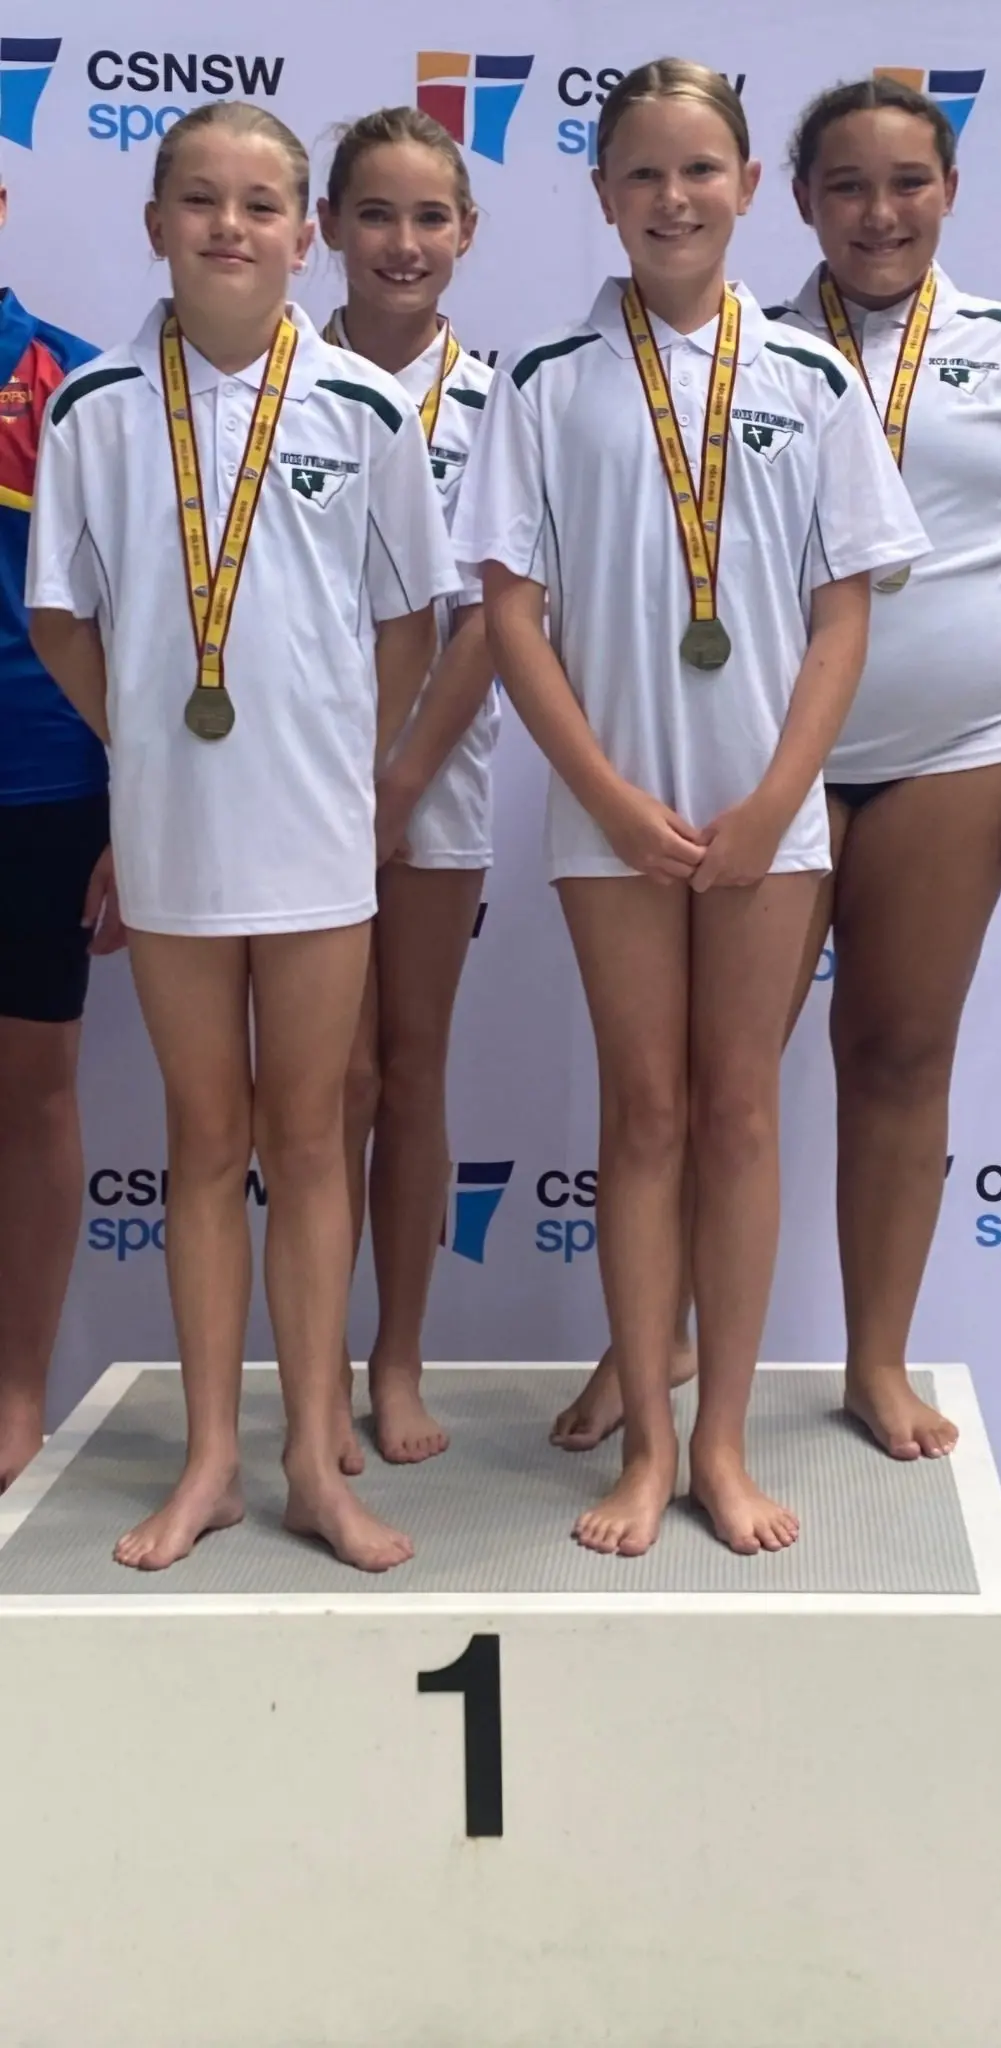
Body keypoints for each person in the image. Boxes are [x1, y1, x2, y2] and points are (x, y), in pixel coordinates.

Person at [559, 73, 1001, 1463]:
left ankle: (873, 1360)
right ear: (796, 199)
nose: (878, 214)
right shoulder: (735, 349)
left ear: (947, 193)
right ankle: (656, 1344)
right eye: (846, 187)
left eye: (906, 184)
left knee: (894, 1050)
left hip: (951, 758)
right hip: (755, 759)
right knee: (706, 1079)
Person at [453, 58, 927, 1556]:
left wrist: (779, 792)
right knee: (643, 1111)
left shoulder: (811, 378)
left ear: (743, 191)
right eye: (642, 175)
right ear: (601, 198)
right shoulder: (541, 383)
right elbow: (511, 615)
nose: (672, 199)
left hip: (765, 816)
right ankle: (648, 1449)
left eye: (699, 170)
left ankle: (723, 1443)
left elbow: (843, 612)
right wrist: (600, 786)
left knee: (734, 1113)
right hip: (613, 815)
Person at [27, 101, 461, 1571]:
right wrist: (142, 751)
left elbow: (411, 621)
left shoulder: (362, 408)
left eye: (263, 202)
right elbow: (61, 620)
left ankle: (310, 1463)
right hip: (172, 838)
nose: (231, 225)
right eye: (200, 199)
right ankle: (210, 1456)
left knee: (309, 1137)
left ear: (307, 233)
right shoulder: (91, 409)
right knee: (204, 1142)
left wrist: (348, 760)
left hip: (316, 837)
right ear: (154, 223)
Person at [316, 108, 498, 1470]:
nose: (402, 242)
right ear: (327, 229)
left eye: (428, 217)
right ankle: (312, 1362)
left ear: (466, 237)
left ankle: (396, 1359)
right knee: (331, 1084)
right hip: (284, 779)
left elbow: (497, 613)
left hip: (431, 779)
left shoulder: (500, 404)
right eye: (374, 214)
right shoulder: (267, 386)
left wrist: (403, 776)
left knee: (417, 1068)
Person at [0, 179, 121, 1494]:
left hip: (33, 786)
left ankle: (17, 1392)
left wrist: (134, 813)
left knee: (28, 1093)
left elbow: (134, 620)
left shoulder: (73, 389)